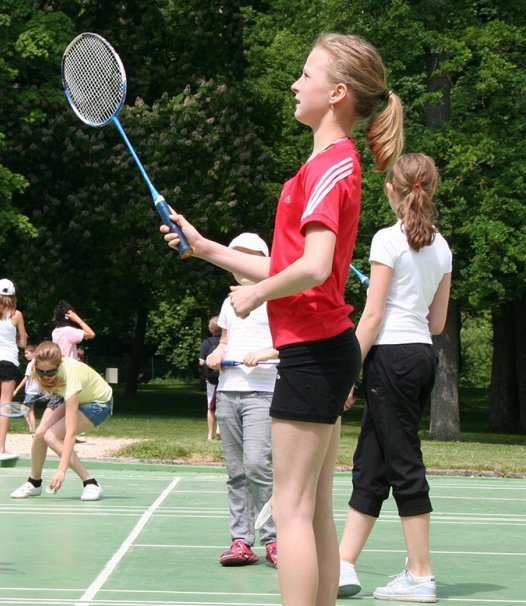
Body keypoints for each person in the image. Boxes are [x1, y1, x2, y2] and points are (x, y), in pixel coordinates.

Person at [161, 32, 403, 606]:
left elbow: (314, 268)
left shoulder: (330, 168)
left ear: (337, 92)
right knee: (312, 510)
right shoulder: (328, 164)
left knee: (291, 512)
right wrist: (207, 248)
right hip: (324, 349)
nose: (295, 84)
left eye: (306, 74)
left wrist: (256, 295)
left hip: (316, 352)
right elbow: (290, 261)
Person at [336, 153, 451, 602]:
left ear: (391, 190)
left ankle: (421, 575)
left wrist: (348, 374)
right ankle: (344, 563)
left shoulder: (387, 239)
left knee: (403, 463)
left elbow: (373, 316)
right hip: (420, 356)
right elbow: (437, 322)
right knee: (372, 461)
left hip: (391, 360)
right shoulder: (442, 248)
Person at [205, 233, 279, 568]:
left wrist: (262, 354)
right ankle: (240, 541)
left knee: (256, 466)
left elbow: (290, 342)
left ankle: (276, 539)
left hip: (263, 391)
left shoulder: (278, 295)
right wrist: (218, 355)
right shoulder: (229, 302)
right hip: (228, 391)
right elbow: (224, 341)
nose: (243, 263)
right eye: (237, 256)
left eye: (250, 256)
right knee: (236, 472)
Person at [9, 341, 112, 501]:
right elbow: (56, 397)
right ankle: (34, 483)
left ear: (59, 365)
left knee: (51, 436)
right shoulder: (37, 370)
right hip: (78, 398)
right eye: (41, 372)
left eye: (50, 373)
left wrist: (61, 470)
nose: (46, 376)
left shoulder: (71, 376)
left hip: (99, 404)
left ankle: (91, 483)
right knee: (39, 434)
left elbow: (70, 433)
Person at [0, 279, 28, 461]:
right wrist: (17, 337)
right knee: (5, 404)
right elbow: (23, 344)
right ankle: (2, 448)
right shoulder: (16, 315)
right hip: (8, 359)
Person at [199, 316, 222, 440]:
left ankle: (210, 434)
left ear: (210, 329)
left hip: (211, 379)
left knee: (211, 406)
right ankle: (220, 429)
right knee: (222, 404)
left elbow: (202, 362)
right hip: (224, 377)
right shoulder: (226, 342)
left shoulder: (207, 343)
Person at [12, 343, 41, 433]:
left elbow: (26, 378)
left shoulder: (31, 364)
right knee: (24, 409)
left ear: (33, 353)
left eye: (27, 353)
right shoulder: (39, 364)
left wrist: (16, 390)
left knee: (29, 410)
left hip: (31, 391)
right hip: (36, 391)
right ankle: (31, 428)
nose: (25, 355)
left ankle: (33, 430)